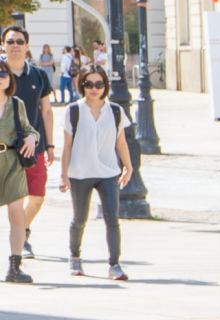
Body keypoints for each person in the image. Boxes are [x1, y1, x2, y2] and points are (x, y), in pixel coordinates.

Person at [57, 64, 129, 281]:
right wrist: (63, 175)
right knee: (80, 218)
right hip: (80, 172)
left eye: (99, 84)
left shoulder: (115, 111)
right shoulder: (74, 111)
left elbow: (121, 142)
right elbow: (67, 146)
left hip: (108, 172)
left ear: (105, 86)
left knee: (112, 219)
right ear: (82, 85)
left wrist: (128, 166)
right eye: (89, 84)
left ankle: (114, 264)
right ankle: (75, 257)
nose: (94, 88)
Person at [2, 25, 49, 261]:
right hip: (5, 152)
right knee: (13, 206)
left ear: (27, 46)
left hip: (31, 149)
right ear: (3, 45)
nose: (15, 46)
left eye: (20, 41)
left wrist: (48, 145)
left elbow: (46, 111)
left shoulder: (38, 75)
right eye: (10, 42)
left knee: (36, 197)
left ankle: (22, 235)